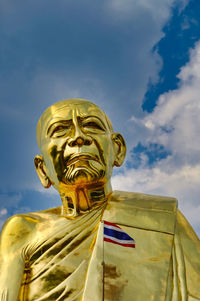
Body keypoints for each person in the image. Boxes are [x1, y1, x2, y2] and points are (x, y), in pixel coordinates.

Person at [0, 98, 199, 301]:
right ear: (42, 169)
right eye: (60, 130)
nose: (78, 137)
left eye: (92, 126)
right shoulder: (23, 231)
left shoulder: (159, 219)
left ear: (118, 150)